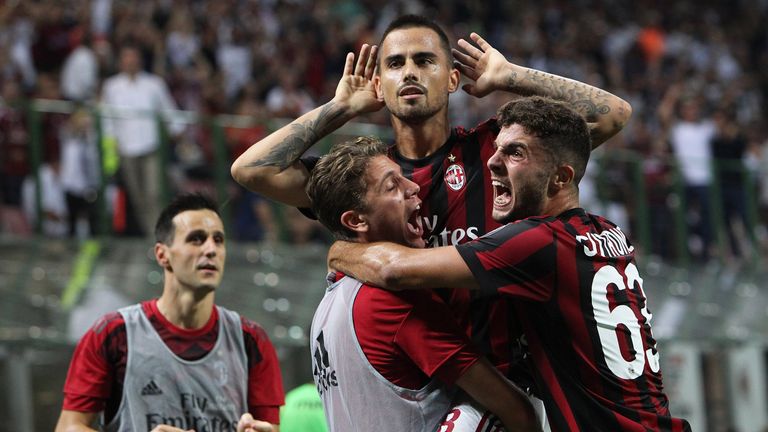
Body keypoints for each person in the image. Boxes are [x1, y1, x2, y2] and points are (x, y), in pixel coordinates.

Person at [231, 13, 631, 428]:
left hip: (504, 392)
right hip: (415, 397)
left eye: (425, 61)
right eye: (395, 63)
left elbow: (611, 116)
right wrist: (340, 107)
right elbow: (252, 171)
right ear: (379, 86)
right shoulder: (366, 181)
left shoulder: (496, 154)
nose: (409, 72)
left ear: (453, 80)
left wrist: (509, 75)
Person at [327, 97, 692, 432]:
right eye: (497, 148)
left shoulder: (538, 242)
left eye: (514, 152)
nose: (491, 161)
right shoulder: (609, 234)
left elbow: (394, 270)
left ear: (561, 177)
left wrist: (340, 253)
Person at [306, 137, 540, 431]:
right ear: (356, 221)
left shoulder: (327, 306)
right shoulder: (393, 301)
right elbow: (514, 409)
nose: (414, 187)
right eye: (392, 186)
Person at [55, 193, 284, 432]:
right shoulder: (113, 334)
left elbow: (270, 428)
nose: (211, 249)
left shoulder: (251, 339)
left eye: (218, 240)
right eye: (196, 239)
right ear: (162, 254)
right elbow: (69, 427)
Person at [101, 44, 183, 236]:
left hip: (150, 147)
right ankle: (151, 235)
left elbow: (168, 109)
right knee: (138, 197)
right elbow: (107, 120)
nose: (130, 61)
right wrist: (111, 147)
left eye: (133, 57)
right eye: (126, 57)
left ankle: (162, 236)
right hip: (126, 149)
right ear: (121, 61)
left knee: (154, 193)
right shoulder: (112, 86)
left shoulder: (153, 84)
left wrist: (177, 130)